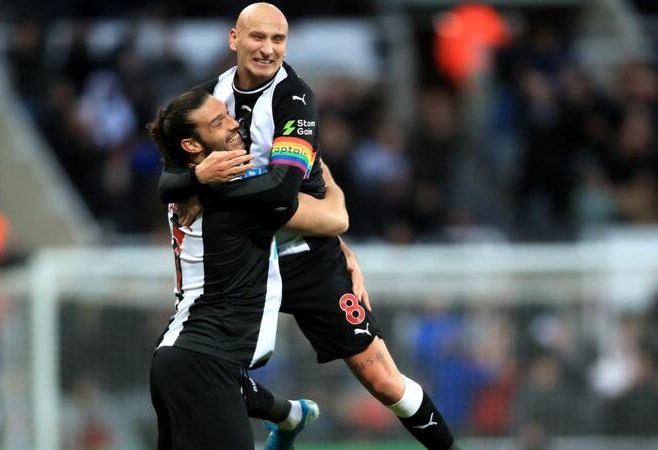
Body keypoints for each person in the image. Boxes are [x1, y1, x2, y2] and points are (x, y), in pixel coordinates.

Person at [157, 3, 459, 449]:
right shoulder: (207, 101)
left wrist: (207, 191)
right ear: (234, 40)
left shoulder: (295, 98)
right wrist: (197, 179)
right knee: (209, 357)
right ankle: (288, 416)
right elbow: (168, 180)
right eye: (257, 37)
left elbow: (283, 194)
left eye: (278, 40)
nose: (268, 49)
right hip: (245, 254)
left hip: (305, 250)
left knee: (381, 379)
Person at [147, 89, 349, 449]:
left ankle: (288, 415)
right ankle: (289, 416)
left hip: (188, 357)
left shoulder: (196, 187)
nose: (232, 123)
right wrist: (327, 178)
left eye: (226, 114)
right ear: (193, 146)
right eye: (217, 122)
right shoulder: (239, 192)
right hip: (202, 359)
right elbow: (336, 218)